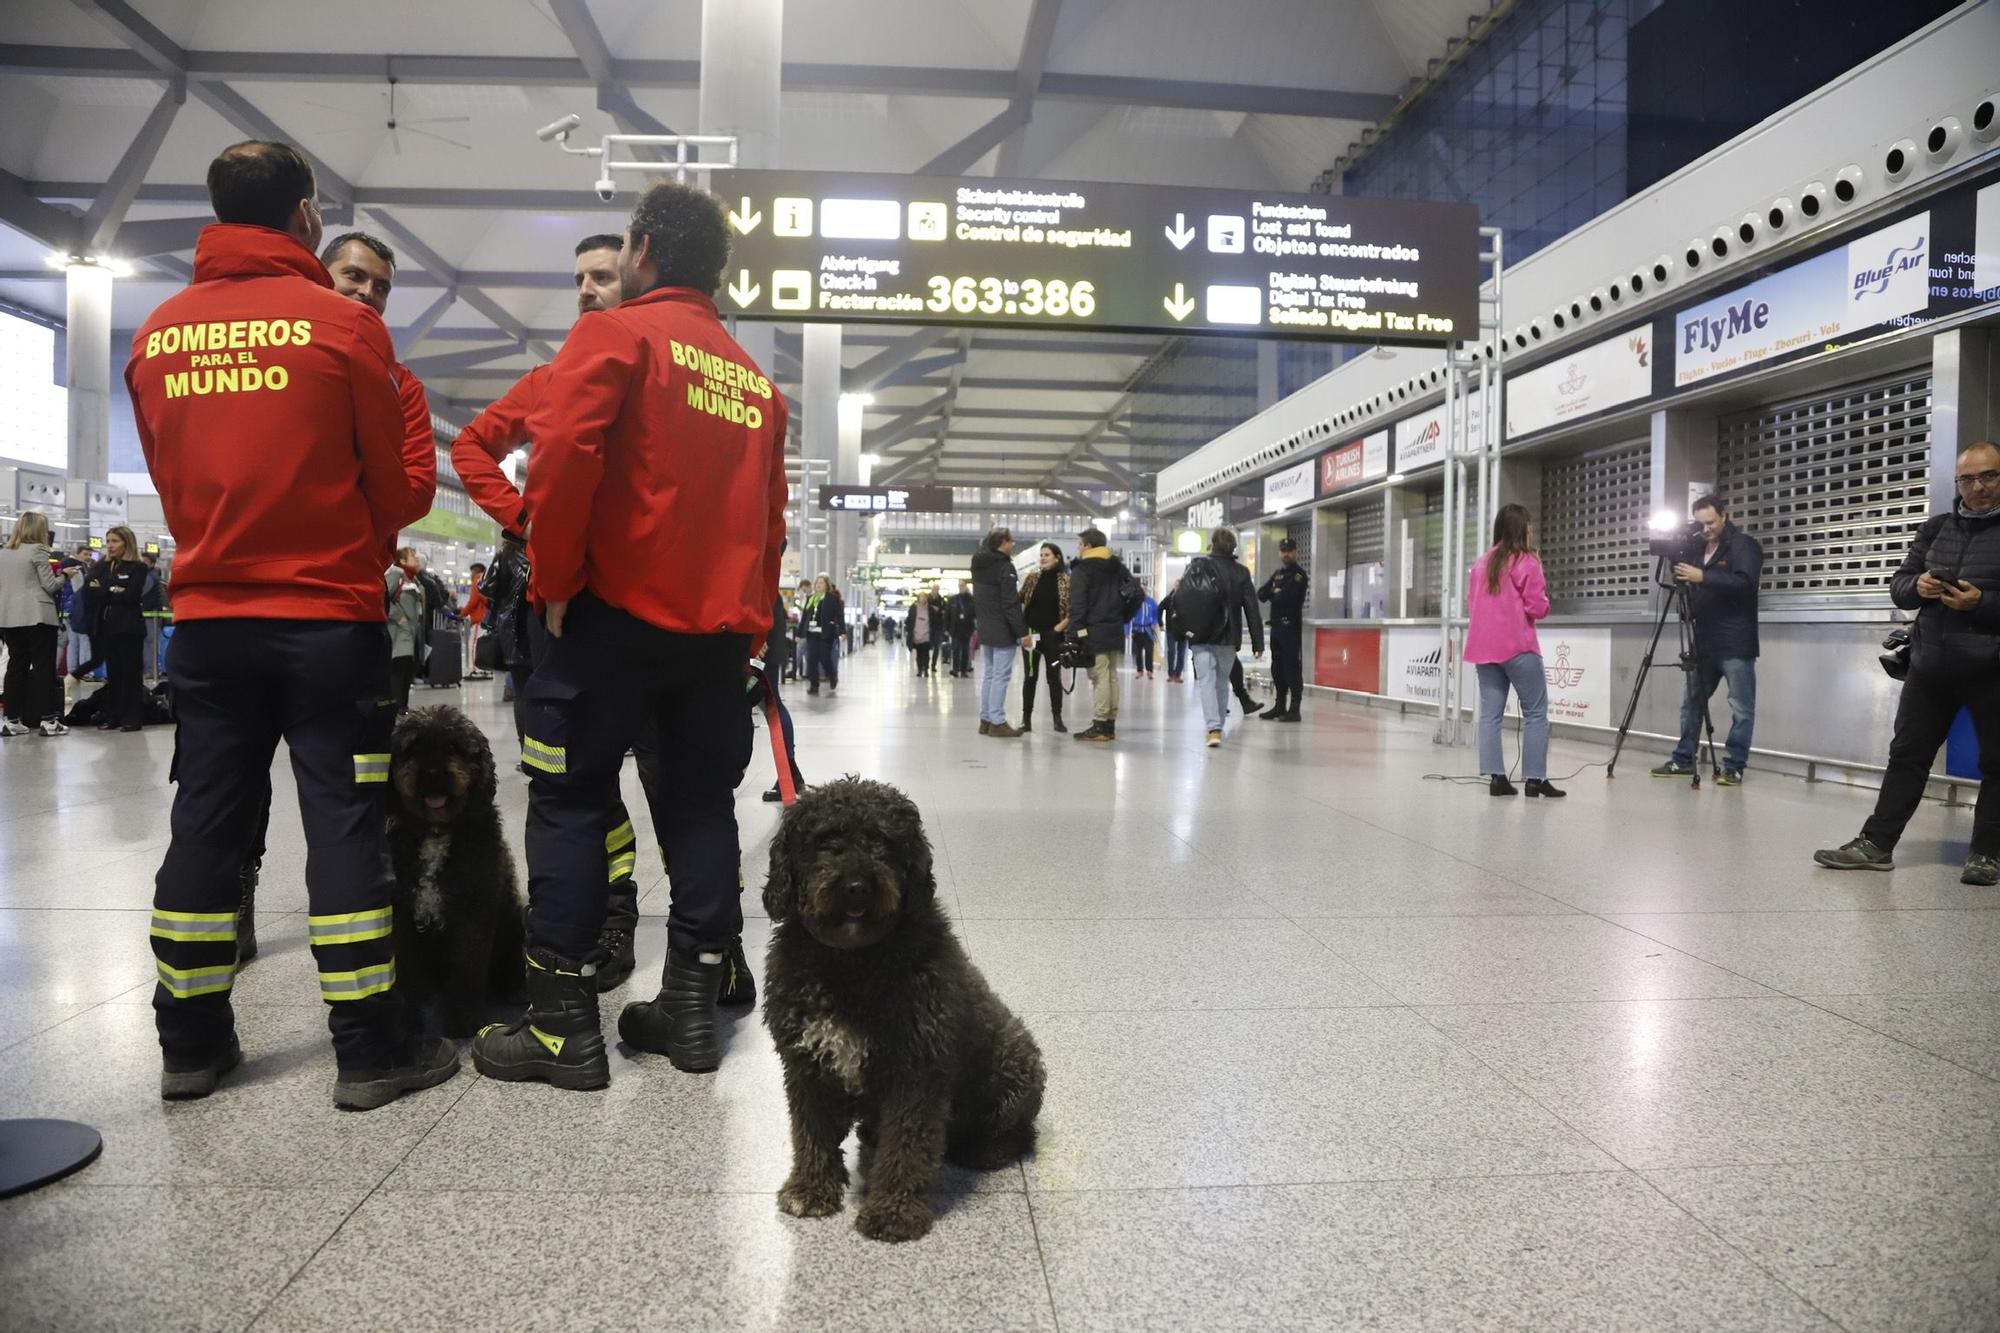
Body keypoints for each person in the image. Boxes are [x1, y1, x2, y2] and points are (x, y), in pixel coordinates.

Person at [127, 139, 444, 1108]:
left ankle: (190, 1041)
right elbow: (393, 488)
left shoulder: (159, 335)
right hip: (324, 622)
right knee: (343, 821)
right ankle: (368, 1048)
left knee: (205, 822)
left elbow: (168, 475)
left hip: (212, 624)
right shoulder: (344, 329)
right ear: (306, 214)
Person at [471, 180, 787, 1089]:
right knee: (698, 807)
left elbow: (566, 456)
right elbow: (770, 524)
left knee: (569, 802)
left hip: (607, 622)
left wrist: (558, 577)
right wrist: (753, 628)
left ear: (642, 249)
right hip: (715, 638)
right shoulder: (754, 385)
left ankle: (563, 1025)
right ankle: (690, 1005)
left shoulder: (615, 335)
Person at [447, 231, 699, 994]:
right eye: (580, 278)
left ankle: (702, 942)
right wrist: (525, 518)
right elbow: (469, 449)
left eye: (604, 276)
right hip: (555, 615)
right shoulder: (552, 377)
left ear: (639, 279)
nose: (588, 289)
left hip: (647, 614)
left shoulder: (670, 376)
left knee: (670, 782)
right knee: (570, 783)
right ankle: (609, 909)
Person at [1816, 441, 2000, 885]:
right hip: (1930, 665)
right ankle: (1876, 845)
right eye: (1967, 479)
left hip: (1992, 668)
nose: (1977, 487)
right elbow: (1899, 587)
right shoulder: (1935, 528)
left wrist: (1982, 603)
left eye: (1988, 476)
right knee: (1906, 757)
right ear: (1957, 482)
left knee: (1997, 763)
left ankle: (1987, 855)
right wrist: (1917, 586)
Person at [1650, 494, 1762, 785]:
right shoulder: (1697, 548)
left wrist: (1703, 576)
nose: (1706, 529)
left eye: (1711, 522)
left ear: (1724, 515)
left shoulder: (1744, 545)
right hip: (1703, 639)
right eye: (1700, 524)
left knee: (1741, 707)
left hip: (1736, 641)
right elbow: (1692, 589)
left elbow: (1745, 584)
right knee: (1691, 703)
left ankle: (1734, 765)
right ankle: (1683, 758)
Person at [1466, 504, 1561, 798]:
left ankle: (1497, 779)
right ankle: (1534, 779)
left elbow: (1472, 603)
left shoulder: (1482, 562)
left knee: (1490, 715)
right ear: (1523, 529)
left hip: (1484, 648)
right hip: (1518, 647)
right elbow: (1536, 606)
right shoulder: (1527, 561)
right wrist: (1545, 604)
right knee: (1535, 712)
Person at [1183, 527, 1263, 747]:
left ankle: (1214, 728)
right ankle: (1216, 726)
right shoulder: (1241, 573)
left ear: (1212, 544)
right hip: (1228, 636)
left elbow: (1183, 599)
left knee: (1206, 681)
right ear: (1233, 547)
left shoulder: (1197, 567)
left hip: (1200, 634)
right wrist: (1258, 641)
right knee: (1220, 681)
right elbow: (1252, 609)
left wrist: (1184, 629)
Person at [1068, 527, 1136, 742]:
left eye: (1080, 544)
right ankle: (1109, 724)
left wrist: (1076, 633)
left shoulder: (1083, 570)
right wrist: (1123, 616)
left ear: (1088, 546)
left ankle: (1099, 724)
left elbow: (1077, 605)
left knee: (1099, 676)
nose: (1078, 548)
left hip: (1092, 629)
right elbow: (1137, 593)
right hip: (1114, 628)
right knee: (1112, 675)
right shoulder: (1118, 567)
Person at [0, 511, 65, 737]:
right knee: (43, 667)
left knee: (16, 666)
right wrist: (64, 575)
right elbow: (50, 585)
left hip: (9, 617)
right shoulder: (38, 550)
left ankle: (11, 720)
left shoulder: (4, 553)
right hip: (37, 616)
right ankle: (48, 720)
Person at [84, 526, 151, 731]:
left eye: (115, 541)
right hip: (106, 627)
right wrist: (114, 589)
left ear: (126, 543)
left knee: (130, 674)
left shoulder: (137, 567)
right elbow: (89, 588)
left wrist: (104, 588)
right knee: (113, 675)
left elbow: (131, 596)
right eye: (108, 541)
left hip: (129, 628)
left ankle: (132, 718)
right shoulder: (102, 566)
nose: (110, 546)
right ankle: (113, 715)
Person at [971, 527, 1031, 737]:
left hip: (986, 627)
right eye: (1010, 541)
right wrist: (1022, 632)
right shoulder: (1004, 567)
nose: (1013, 544)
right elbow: (1010, 603)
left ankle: (985, 719)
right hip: (1002, 628)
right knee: (1001, 676)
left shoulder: (978, 562)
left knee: (989, 675)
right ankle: (997, 721)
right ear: (1002, 543)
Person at [1019, 541, 1070, 732]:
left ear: (1057, 557)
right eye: (1041, 555)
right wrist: (1022, 630)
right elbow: (1019, 600)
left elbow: (1072, 610)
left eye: (1047, 555)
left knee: (1053, 678)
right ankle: (1026, 719)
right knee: (1030, 676)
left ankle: (1057, 718)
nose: (1043, 558)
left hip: (1053, 636)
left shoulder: (1065, 580)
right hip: (1032, 635)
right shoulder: (1032, 578)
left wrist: (1059, 628)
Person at [1258, 537, 1310, 721]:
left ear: (1295, 552)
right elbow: (1261, 594)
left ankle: (1294, 708)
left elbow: (1286, 598)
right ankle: (1280, 705)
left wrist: (1275, 593)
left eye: (1289, 550)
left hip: (1290, 627)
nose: (1286, 554)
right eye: (1283, 550)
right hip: (1277, 627)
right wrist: (1275, 592)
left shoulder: (1299, 575)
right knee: (1277, 668)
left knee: (1291, 668)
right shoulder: (1278, 574)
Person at [384, 546, 426, 711]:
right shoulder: (395, 575)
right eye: (412, 556)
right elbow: (382, 598)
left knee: (408, 672)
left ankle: (403, 709)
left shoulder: (415, 580)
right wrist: (398, 617)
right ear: (401, 561)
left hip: (412, 635)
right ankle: (396, 711)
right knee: (398, 673)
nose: (417, 559)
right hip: (399, 634)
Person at [802, 574, 843, 695]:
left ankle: (832, 675)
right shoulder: (811, 599)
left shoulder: (832, 599)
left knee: (824, 657)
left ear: (826, 585)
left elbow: (839, 616)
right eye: (817, 583)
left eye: (821, 583)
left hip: (826, 634)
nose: (818, 585)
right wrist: (800, 633)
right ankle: (814, 685)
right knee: (811, 659)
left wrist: (843, 631)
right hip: (812, 634)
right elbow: (805, 617)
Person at [461, 561, 491, 680]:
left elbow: (473, 601)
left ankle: (475, 669)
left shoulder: (477, 580)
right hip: (488, 619)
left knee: (474, 644)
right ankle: (486, 669)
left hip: (479, 619)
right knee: (485, 645)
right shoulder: (487, 580)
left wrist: (461, 614)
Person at [907, 586, 944, 676]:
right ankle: (920, 669)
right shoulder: (913, 608)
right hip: (916, 634)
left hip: (927, 634)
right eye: (921, 597)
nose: (923, 599)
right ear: (918, 598)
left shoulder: (930, 609)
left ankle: (926, 668)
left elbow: (934, 621)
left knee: (926, 653)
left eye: (924, 597)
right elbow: (909, 620)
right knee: (919, 653)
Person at [1128, 584, 1159, 678]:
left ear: (1146, 590)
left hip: (1148, 630)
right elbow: (1128, 616)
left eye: (1144, 589)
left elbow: (1156, 614)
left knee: (1149, 651)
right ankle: (1139, 670)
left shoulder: (1151, 601)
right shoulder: (1133, 602)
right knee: (1138, 652)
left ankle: (1149, 671)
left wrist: (1155, 623)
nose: (1142, 591)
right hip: (1137, 630)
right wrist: (1126, 629)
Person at [946, 581, 976, 676]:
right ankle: (955, 669)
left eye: (963, 586)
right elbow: (947, 615)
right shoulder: (953, 600)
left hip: (967, 630)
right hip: (955, 629)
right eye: (960, 586)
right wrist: (946, 628)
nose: (961, 588)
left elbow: (975, 614)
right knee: (955, 649)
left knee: (965, 650)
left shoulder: (971, 600)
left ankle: (964, 670)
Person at [1160, 587, 1188, 683]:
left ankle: (1178, 675)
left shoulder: (1186, 599)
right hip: (1171, 630)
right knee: (1171, 651)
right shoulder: (1169, 599)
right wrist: (1160, 623)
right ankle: (1171, 674)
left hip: (1183, 631)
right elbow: (1159, 608)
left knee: (1181, 654)